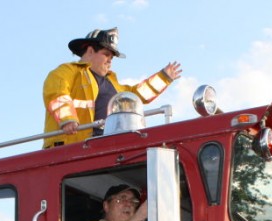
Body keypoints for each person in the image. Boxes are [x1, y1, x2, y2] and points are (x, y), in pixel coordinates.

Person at [43, 27, 182, 148]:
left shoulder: (114, 84)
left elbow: (136, 96)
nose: (110, 60)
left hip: (103, 145)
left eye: (112, 57)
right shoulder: (67, 71)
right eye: (106, 54)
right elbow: (57, 93)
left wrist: (164, 77)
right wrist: (67, 119)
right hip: (71, 147)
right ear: (90, 51)